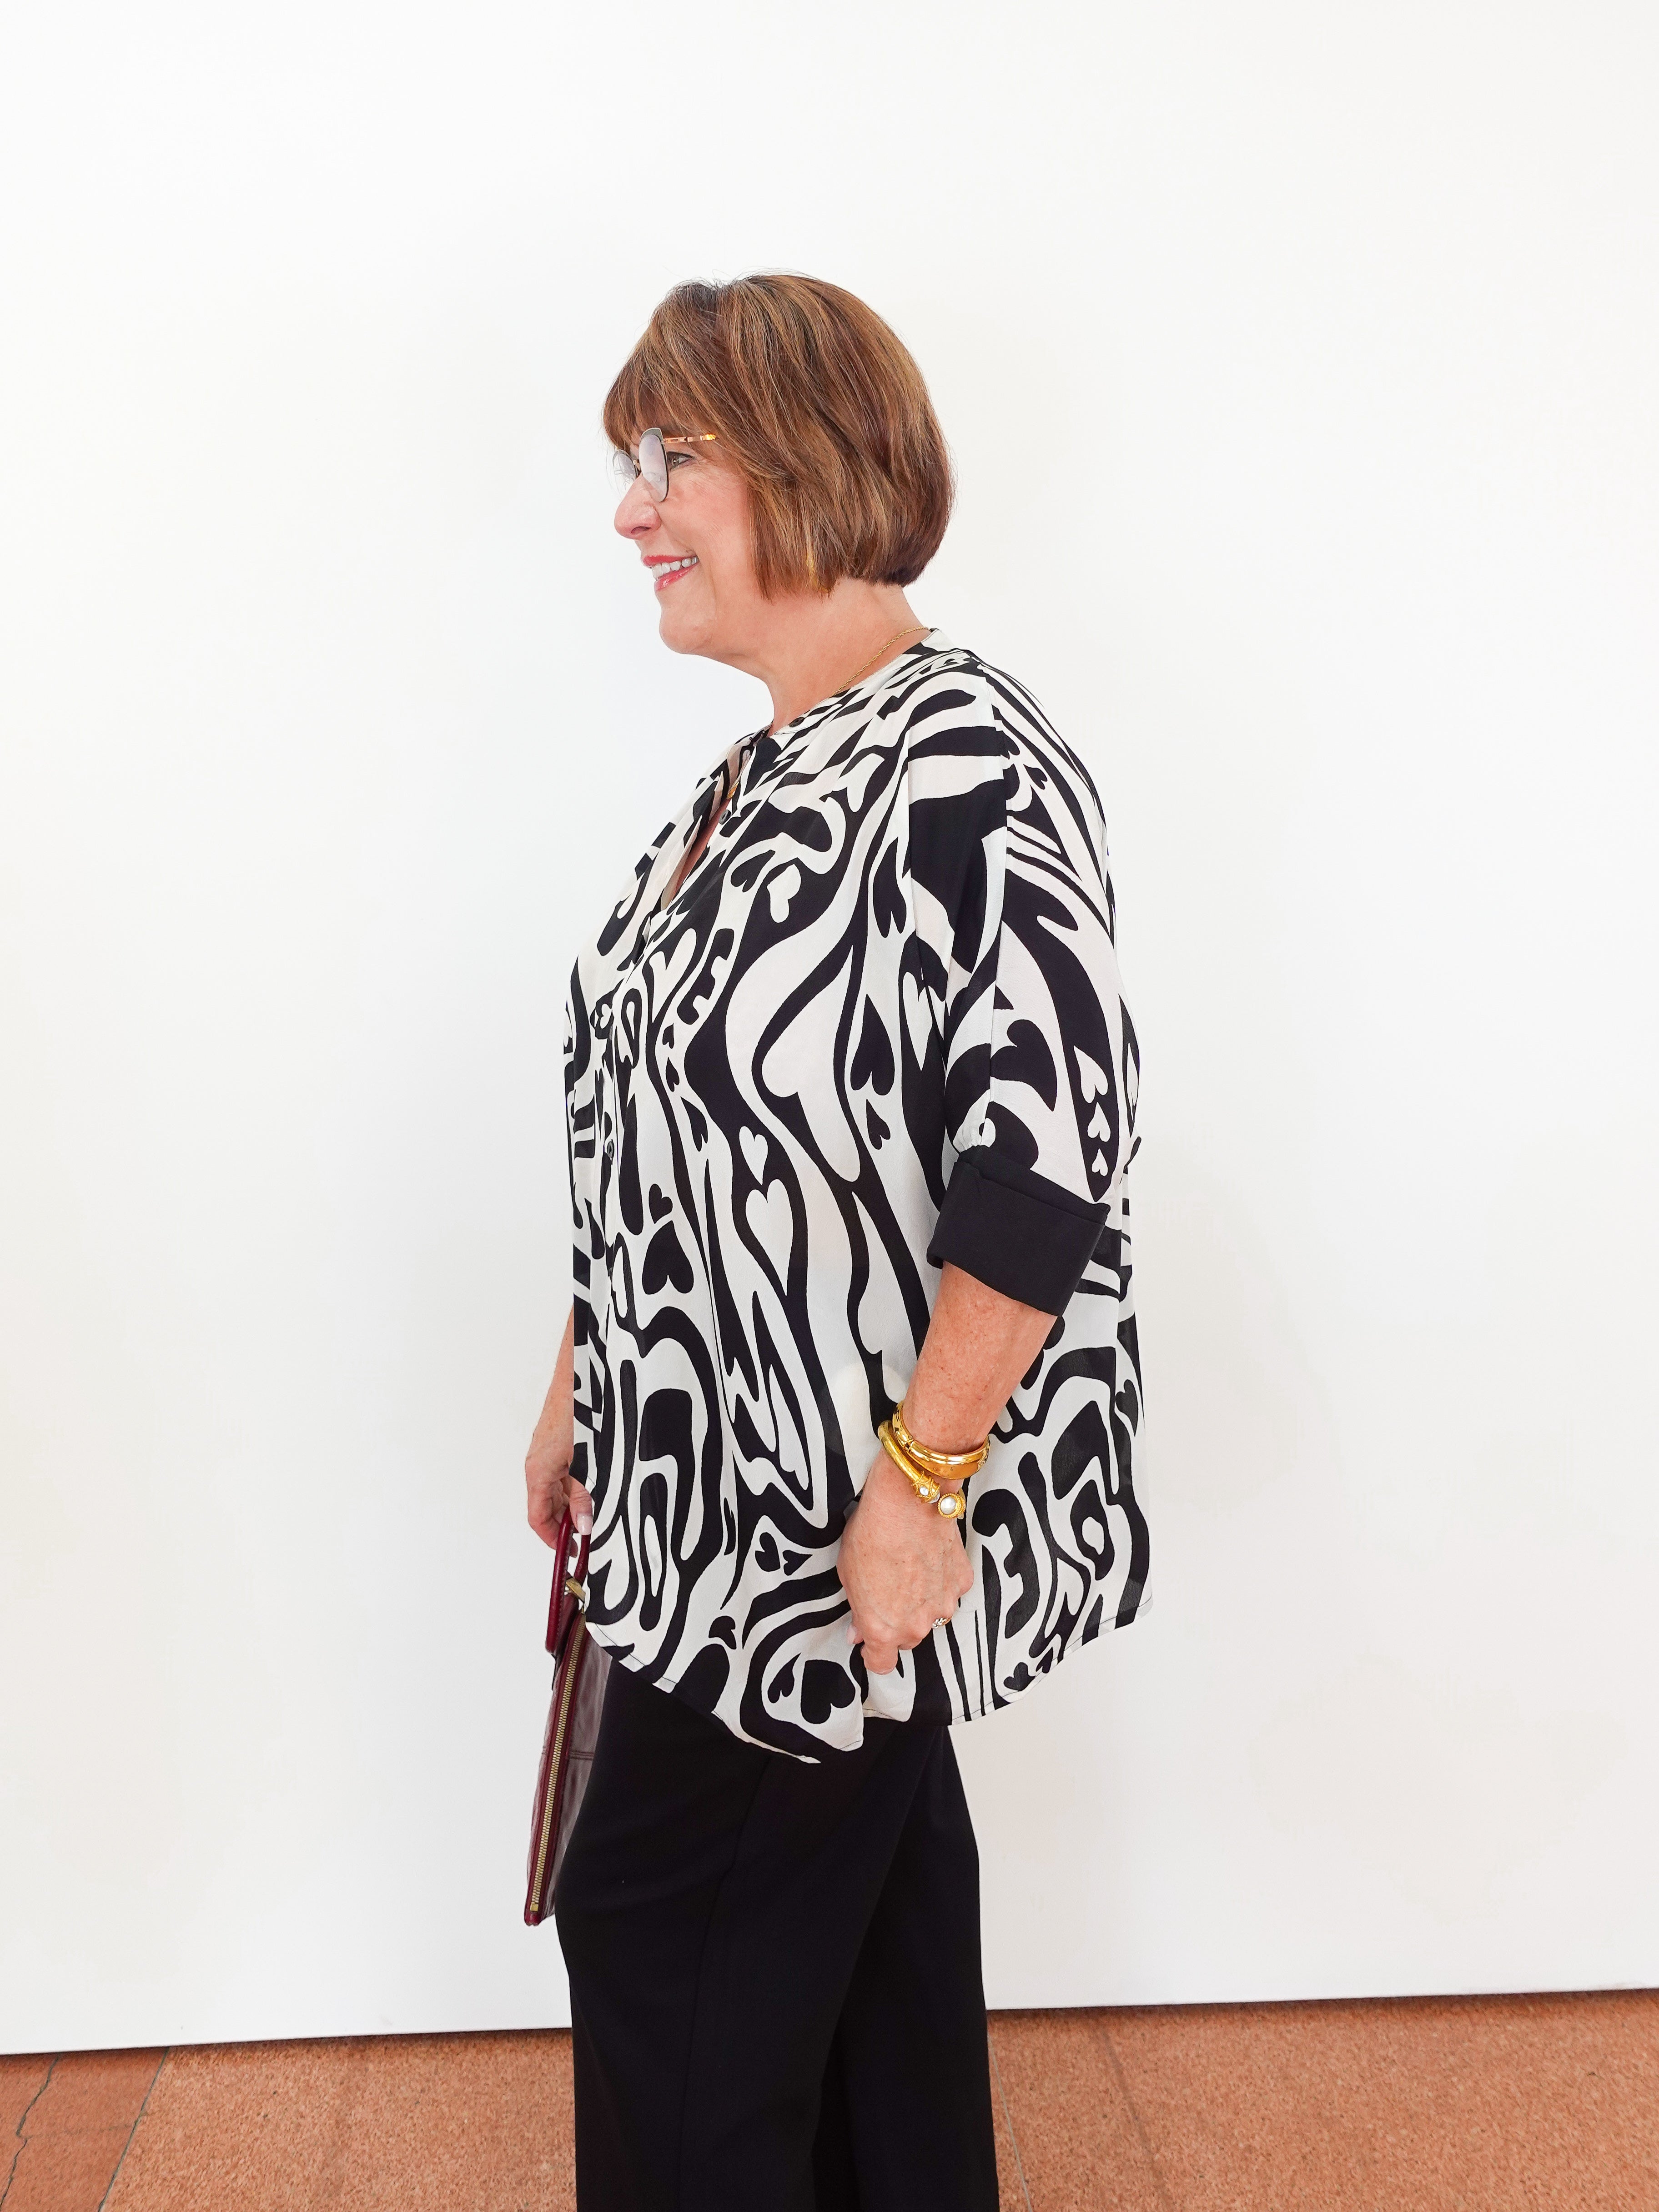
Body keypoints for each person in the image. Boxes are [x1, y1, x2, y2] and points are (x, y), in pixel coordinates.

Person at [523, 272, 1149, 2212]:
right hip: (696, 1496)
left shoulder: (963, 762)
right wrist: (581, 1382)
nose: (632, 507)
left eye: (673, 457)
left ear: (805, 458)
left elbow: (1044, 1165)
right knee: (875, 1979)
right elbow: (671, 1122)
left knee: (662, 1940)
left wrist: (923, 1483)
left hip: (800, 1537)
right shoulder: (764, 772)